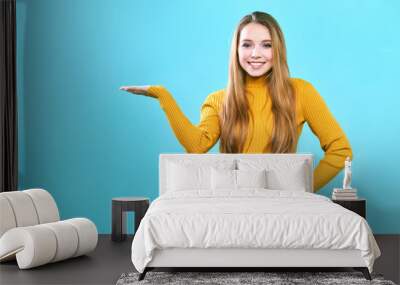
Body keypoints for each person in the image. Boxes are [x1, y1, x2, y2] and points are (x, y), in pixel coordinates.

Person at [120, 11, 353, 192]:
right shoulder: (217, 100)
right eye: (247, 44)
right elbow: (197, 146)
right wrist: (163, 95)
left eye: (267, 45)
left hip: (281, 204)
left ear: (278, 49)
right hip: (232, 199)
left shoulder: (301, 91)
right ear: (236, 49)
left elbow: (340, 150)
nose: (255, 54)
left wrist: (302, 188)